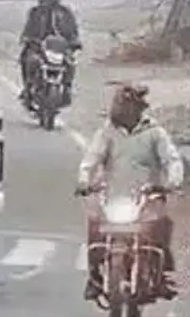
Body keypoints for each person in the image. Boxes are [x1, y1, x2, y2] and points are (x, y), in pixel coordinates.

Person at [76, 84, 183, 300]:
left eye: (124, 105)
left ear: (137, 109)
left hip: (147, 198)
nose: (119, 110)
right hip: (113, 198)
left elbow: (171, 160)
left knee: (162, 227)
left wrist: (172, 182)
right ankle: (95, 277)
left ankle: (162, 275)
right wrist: (84, 181)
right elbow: (91, 158)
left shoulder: (154, 133)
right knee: (95, 230)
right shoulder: (107, 132)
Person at [19, 0, 80, 106]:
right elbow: (28, 29)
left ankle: (67, 88)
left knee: (70, 63)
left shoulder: (65, 13)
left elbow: (73, 31)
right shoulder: (35, 12)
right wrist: (27, 38)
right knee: (28, 60)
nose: (49, 0)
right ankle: (28, 88)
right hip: (39, 47)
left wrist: (74, 42)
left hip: (60, 49)